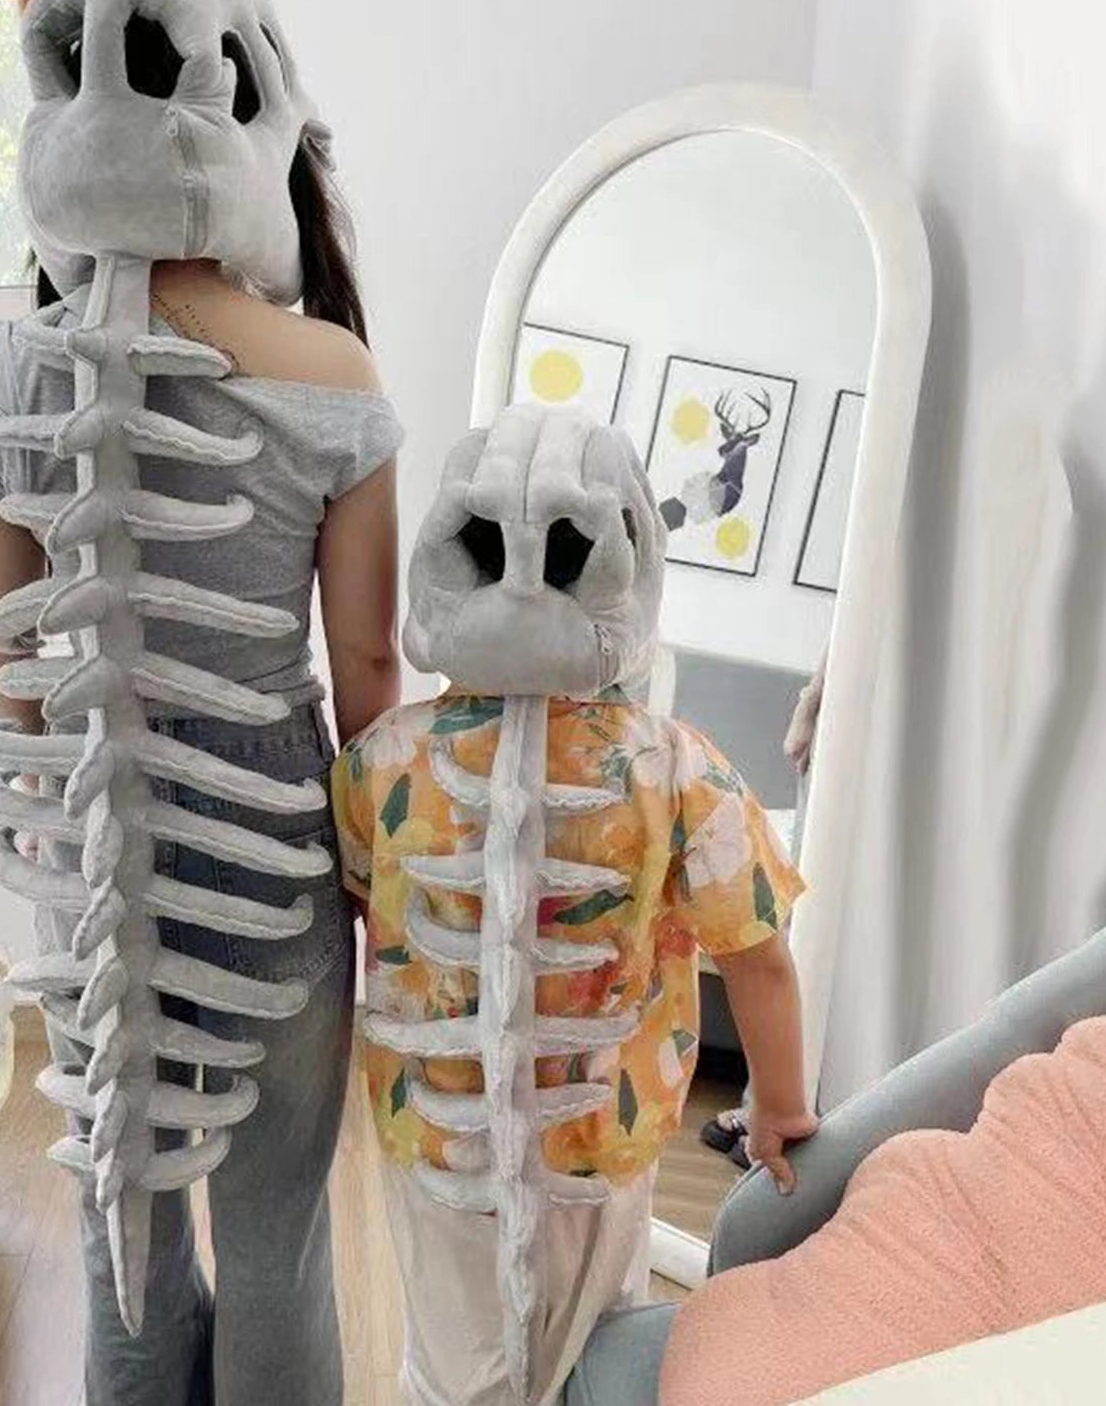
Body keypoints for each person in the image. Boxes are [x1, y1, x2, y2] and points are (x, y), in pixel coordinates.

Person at [0, 0, 402, 1405]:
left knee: (122, 1244)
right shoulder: (331, 375)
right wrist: (381, 872)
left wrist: (70, 814)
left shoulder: (0, 376)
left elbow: (6, 664)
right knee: (276, 1243)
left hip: (92, 860)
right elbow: (369, 670)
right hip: (273, 857)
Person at [330, 409, 814, 1406]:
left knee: (451, 1360)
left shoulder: (381, 760)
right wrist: (777, 1104)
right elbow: (758, 956)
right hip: (599, 1144)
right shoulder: (677, 769)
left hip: (438, 1131)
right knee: (595, 1354)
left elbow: (362, 905)